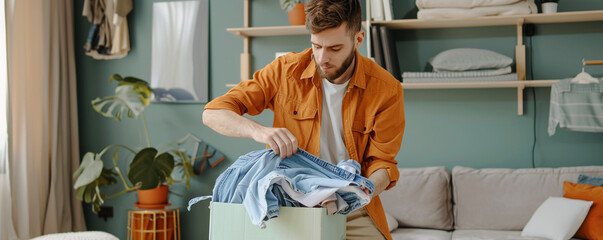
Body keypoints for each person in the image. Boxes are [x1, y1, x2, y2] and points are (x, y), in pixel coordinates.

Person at [202, 0, 405, 239]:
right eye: (316, 45)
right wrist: (260, 132)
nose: (322, 58)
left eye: (334, 48)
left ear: (358, 40)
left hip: (352, 209)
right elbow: (213, 113)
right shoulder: (285, 71)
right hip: (288, 205)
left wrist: (364, 190)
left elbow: (383, 163)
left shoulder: (386, 89)